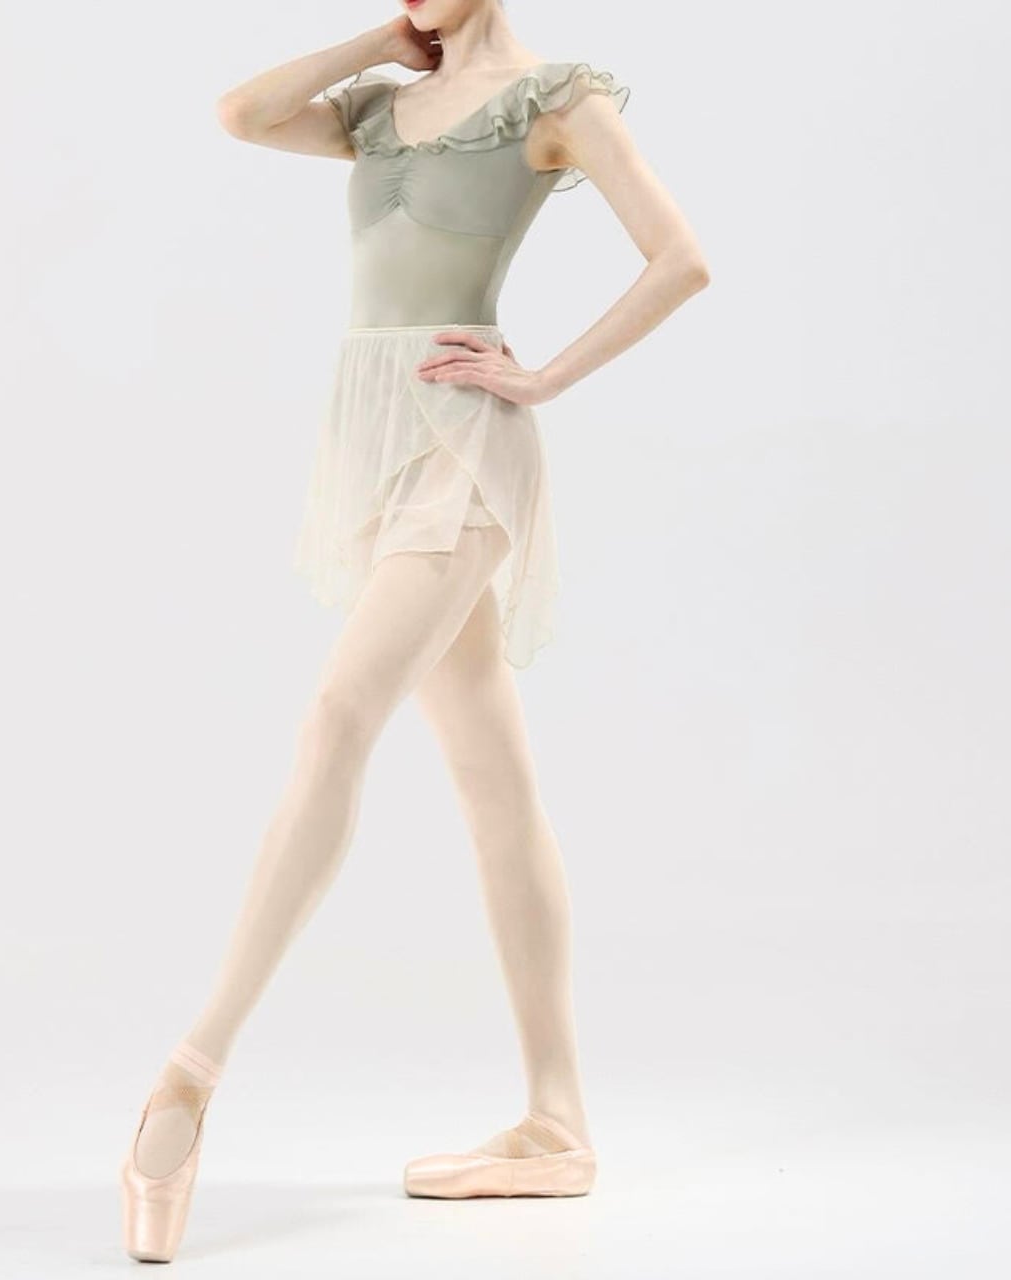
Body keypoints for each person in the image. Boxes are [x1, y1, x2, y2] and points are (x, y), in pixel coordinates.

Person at [119, 0, 709, 1262]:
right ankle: (555, 1120)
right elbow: (241, 114)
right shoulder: (381, 109)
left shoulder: (553, 98)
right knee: (493, 776)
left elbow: (679, 260)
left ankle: (188, 1072)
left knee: (338, 714)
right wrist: (372, 48)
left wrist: (540, 376)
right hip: (375, 447)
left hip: (463, 445)